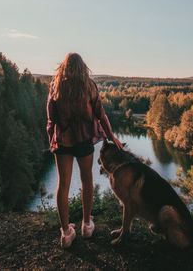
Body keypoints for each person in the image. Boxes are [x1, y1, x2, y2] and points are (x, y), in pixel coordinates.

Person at [46, 53, 123, 248]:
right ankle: (87, 225)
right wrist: (111, 136)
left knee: (63, 184)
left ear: (63, 67)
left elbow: (50, 119)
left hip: (63, 141)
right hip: (84, 140)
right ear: (83, 67)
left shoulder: (56, 85)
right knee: (87, 179)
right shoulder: (89, 85)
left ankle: (65, 234)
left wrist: (51, 140)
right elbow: (101, 114)